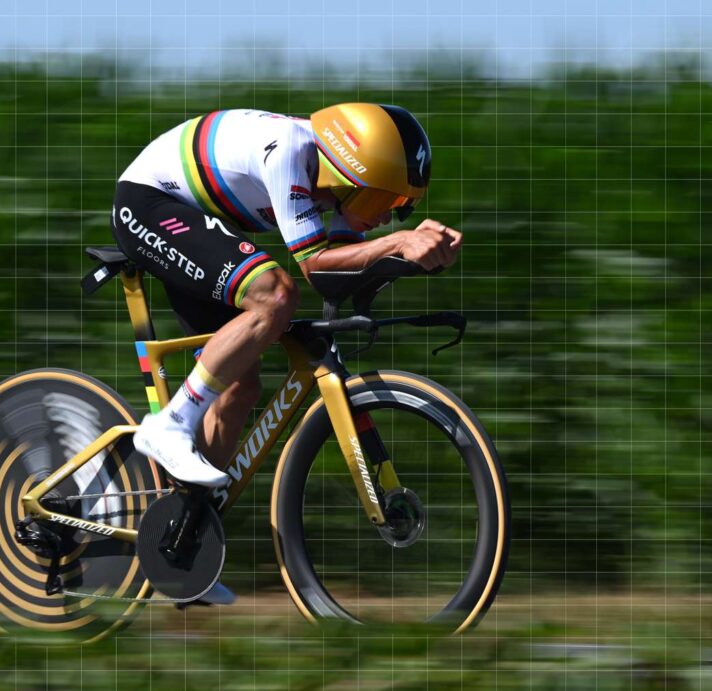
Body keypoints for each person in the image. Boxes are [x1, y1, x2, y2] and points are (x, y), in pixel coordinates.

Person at [111, 104, 462, 489]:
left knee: (239, 388)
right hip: (149, 203)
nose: (383, 219)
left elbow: (341, 277)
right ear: (348, 172)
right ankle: (170, 425)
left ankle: (184, 520)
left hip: (204, 222)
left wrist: (420, 256)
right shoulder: (289, 152)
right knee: (275, 294)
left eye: (397, 208)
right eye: (379, 201)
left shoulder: (342, 187)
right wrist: (398, 241)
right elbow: (315, 267)